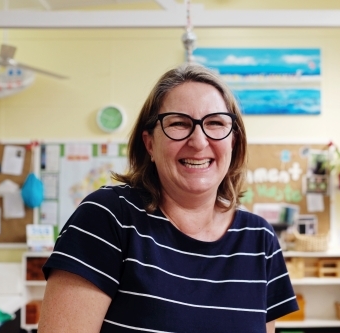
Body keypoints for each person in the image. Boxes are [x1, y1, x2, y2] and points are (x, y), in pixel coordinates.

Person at [39, 64, 298, 333]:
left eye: (215, 123)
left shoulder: (259, 239)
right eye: (178, 123)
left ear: (233, 140)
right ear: (150, 143)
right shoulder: (107, 217)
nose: (198, 141)